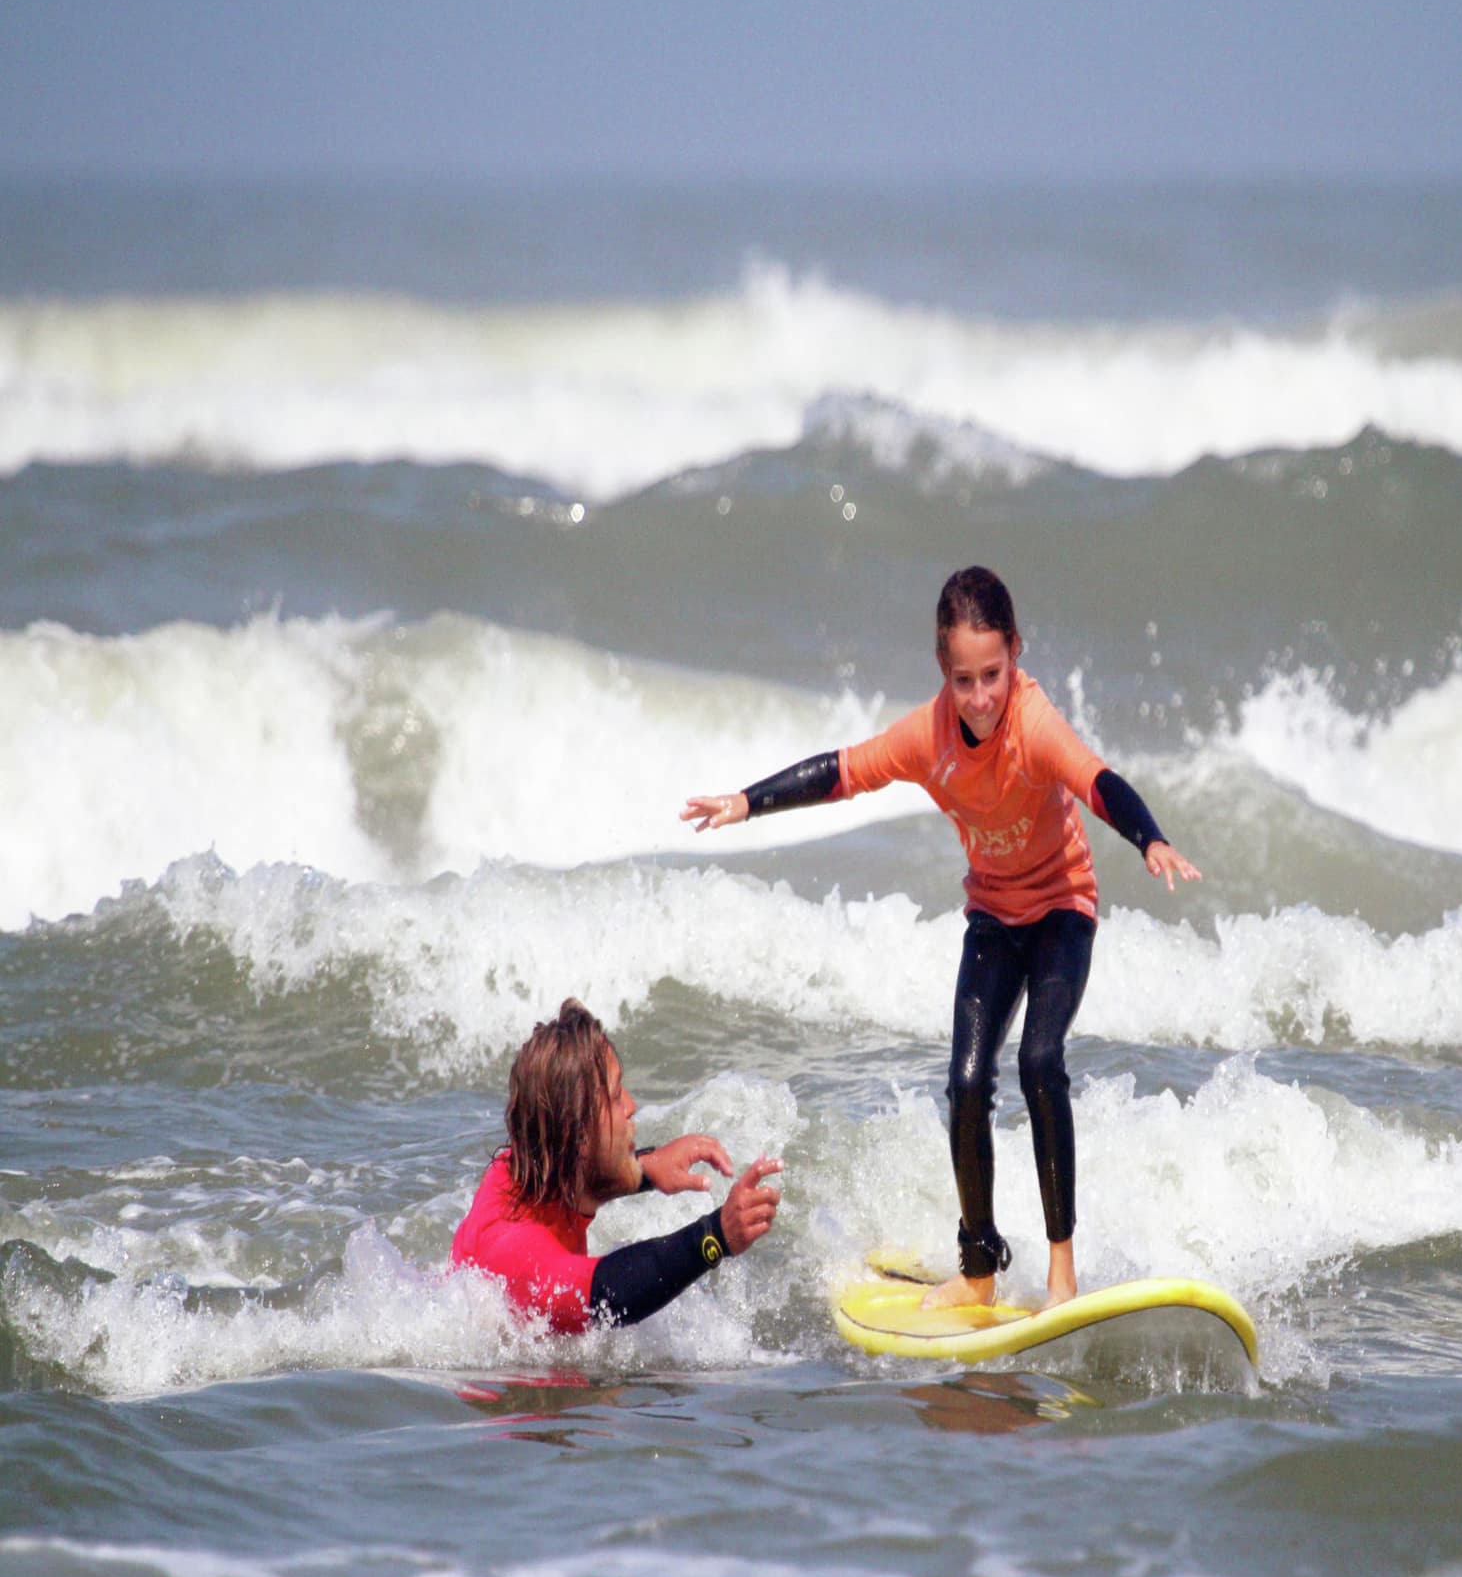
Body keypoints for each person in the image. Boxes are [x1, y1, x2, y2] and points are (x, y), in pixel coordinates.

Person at [681, 565, 1197, 1312]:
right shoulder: (928, 737)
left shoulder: (1034, 723)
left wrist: (1149, 838)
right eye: (964, 680)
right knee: (965, 1084)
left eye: (993, 674)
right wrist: (746, 802)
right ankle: (979, 1268)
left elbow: (1098, 780)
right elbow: (843, 772)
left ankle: (1061, 1274)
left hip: (1060, 910)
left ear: (1015, 653)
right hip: (993, 917)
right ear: (943, 673)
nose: (982, 697)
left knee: (1041, 1059)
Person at [450, 998, 783, 1332]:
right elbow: (610, 1294)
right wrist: (715, 1236)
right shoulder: (519, 1257)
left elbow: (586, 1173)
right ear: (575, 1131)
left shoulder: (518, 1168)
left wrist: (649, 1167)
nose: (631, 1105)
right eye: (614, 1096)